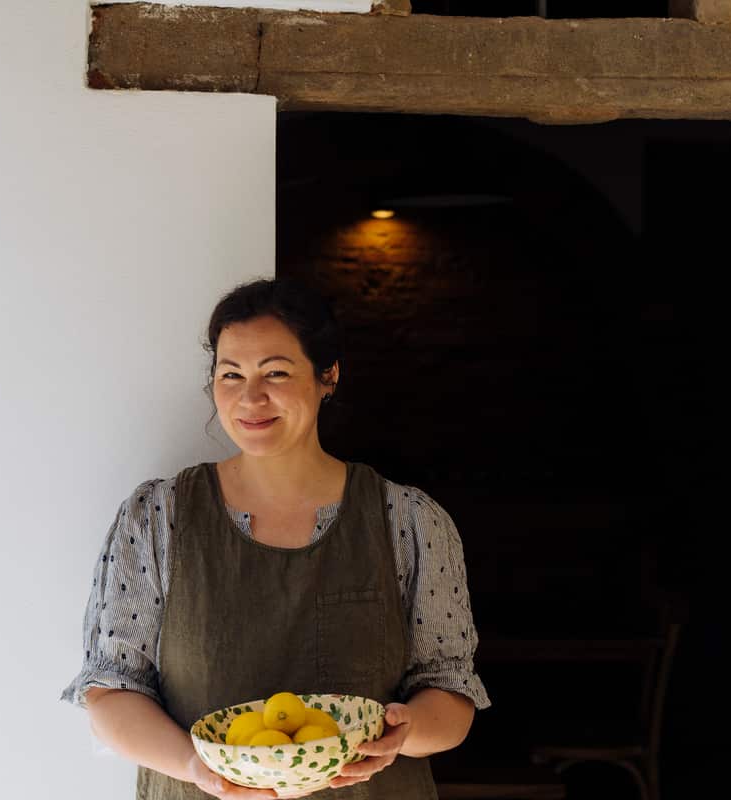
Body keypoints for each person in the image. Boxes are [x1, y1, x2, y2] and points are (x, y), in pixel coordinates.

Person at [60, 277, 490, 799]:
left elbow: (451, 695)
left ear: (328, 375)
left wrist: (405, 732)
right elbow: (110, 694)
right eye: (230, 374)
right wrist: (198, 770)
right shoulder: (156, 518)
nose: (250, 397)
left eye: (276, 373)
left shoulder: (410, 521)